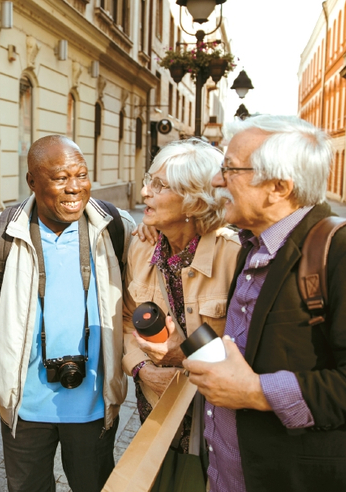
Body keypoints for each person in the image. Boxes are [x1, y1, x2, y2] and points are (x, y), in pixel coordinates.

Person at [179, 115, 346, 491]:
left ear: (278, 187)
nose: (216, 180)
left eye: (229, 169)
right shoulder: (253, 247)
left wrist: (256, 392)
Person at [0, 135, 135, 492]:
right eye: (60, 178)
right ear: (32, 182)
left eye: (81, 175)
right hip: (23, 408)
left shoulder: (116, 228)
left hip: (95, 406)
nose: (75, 188)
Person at [123, 139, 240, 445]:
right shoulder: (142, 245)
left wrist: (183, 353)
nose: (145, 191)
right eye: (150, 180)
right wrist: (141, 369)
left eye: (159, 185)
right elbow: (124, 319)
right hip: (157, 406)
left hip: (215, 418)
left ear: (195, 200)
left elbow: (250, 354)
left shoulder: (234, 256)